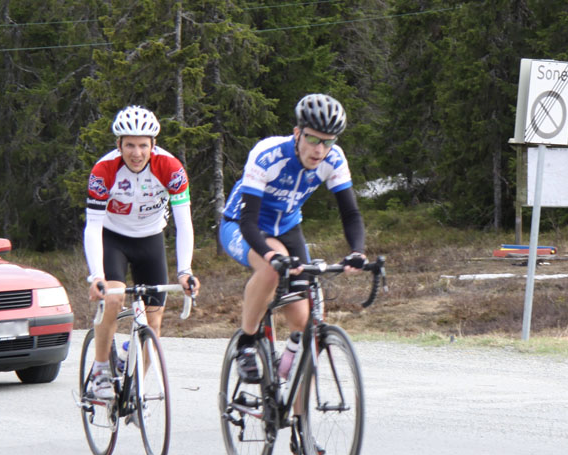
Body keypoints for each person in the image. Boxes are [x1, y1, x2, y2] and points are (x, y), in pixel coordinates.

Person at [219, 93, 366, 382]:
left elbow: (350, 213)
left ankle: (292, 395)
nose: (320, 149)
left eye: (328, 141)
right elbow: (248, 221)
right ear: (297, 133)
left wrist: (357, 251)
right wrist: (271, 255)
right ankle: (246, 342)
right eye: (313, 139)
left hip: (288, 228)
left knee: (303, 323)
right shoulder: (268, 155)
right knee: (271, 270)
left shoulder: (334, 159)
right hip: (243, 225)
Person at [84, 105, 199, 398]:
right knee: (113, 299)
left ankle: (136, 388)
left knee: (154, 321)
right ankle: (100, 370)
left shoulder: (171, 168)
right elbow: (93, 226)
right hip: (113, 238)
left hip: (151, 239)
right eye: (130, 145)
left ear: (153, 145)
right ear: (119, 145)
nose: (137, 153)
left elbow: (184, 223)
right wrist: (96, 276)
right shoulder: (103, 171)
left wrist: (185, 271)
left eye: (143, 145)